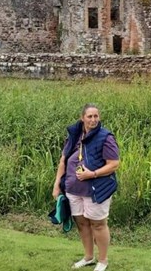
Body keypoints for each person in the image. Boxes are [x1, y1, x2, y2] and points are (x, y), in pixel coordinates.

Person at [53, 104, 120, 271]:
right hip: (73, 189)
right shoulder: (74, 135)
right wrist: (57, 185)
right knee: (81, 223)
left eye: (96, 116)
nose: (93, 120)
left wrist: (93, 174)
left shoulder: (105, 137)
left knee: (98, 224)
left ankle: (103, 261)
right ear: (82, 118)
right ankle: (89, 257)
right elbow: (63, 161)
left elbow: (114, 164)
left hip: (95, 189)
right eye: (89, 116)